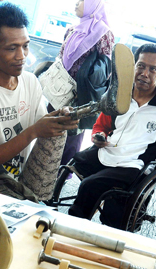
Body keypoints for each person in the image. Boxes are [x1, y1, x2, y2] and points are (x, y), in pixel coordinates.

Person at [0, 2, 78, 200]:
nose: (22, 56)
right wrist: (34, 131)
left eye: (25, 46)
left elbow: (40, 122)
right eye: (12, 48)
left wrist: (59, 118)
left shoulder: (30, 82)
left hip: (17, 180)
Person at [67, 43, 156, 226]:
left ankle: (72, 227)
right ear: (133, 67)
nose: (145, 73)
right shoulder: (119, 96)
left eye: (153, 69)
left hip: (134, 166)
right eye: (141, 66)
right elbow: (101, 126)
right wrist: (99, 137)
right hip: (108, 153)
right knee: (71, 165)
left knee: (90, 186)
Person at [54, 0, 113, 166]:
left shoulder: (104, 33)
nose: (76, 3)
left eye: (81, 1)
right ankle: (44, 169)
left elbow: (105, 69)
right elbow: (60, 56)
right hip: (59, 89)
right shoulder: (72, 29)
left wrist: (85, 81)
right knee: (50, 128)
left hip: (80, 94)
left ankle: (62, 172)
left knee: (71, 134)